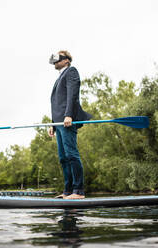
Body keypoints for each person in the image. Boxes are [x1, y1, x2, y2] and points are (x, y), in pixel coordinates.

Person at [48, 50, 92, 199]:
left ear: (66, 60)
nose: (55, 62)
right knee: (63, 157)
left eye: (58, 59)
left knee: (71, 154)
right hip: (59, 122)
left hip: (67, 120)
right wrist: (53, 124)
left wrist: (68, 115)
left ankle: (78, 191)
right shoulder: (59, 77)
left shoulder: (71, 72)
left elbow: (72, 95)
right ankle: (67, 191)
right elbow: (56, 102)